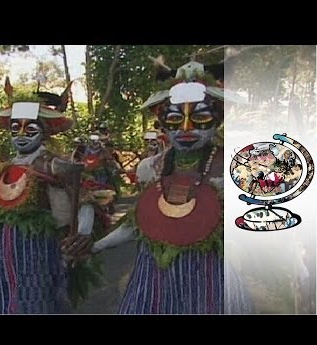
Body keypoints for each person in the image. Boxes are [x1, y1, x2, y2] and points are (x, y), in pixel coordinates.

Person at [89, 61, 230, 313]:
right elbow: (140, 222)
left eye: (200, 117)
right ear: (162, 122)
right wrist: (98, 245)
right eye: (175, 119)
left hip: (208, 275)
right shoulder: (150, 168)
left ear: (218, 119)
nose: (186, 128)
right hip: (151, 275)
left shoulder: (235, 168)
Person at [0, 78, 98, 314]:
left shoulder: (51, 164)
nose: (21, 135)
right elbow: (3, 210)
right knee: (1, 290)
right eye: (15, 128)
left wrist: (84, 231)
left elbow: (86, 199)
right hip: (4, 246)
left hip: (37, 248)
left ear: (44, 133)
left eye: (31, 128)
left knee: (35, 295)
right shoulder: (9, 165)